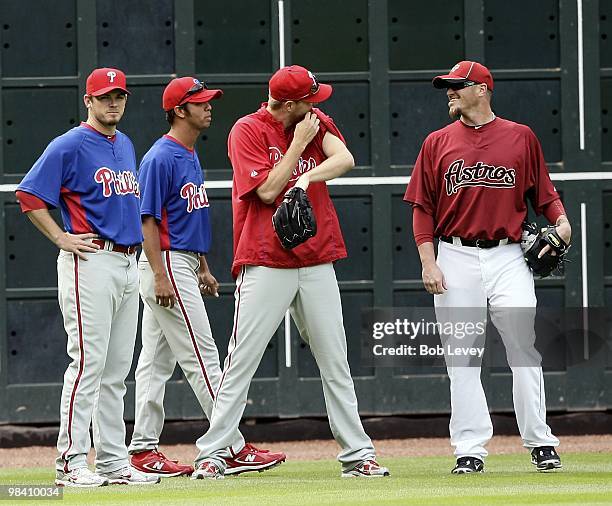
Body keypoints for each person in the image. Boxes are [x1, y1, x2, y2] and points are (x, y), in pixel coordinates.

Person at [191, 65, 389, 480]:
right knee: (241, 360)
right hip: (265, 259)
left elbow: (345, 159)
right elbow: (264, 191)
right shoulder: (247, 130)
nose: (317, 105)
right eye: (310, 99)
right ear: (291, 103)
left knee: (335, 359)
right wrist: (298, 147)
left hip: (316, 258)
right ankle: (213, 453)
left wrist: (304, 181)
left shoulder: (314, 122)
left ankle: (358, 454)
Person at [404, 61, 571, 474]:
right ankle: (469, 449)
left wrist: (564, 222)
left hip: (508, 255)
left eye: (457, 87)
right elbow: (422, 209)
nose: (450, 92)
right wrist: (429, 261)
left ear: (481, 89)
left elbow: (544, 195)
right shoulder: (437, 142)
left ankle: (540, 442)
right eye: (448, 87)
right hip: (455, 255)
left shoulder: (520, 137)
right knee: (461, 357)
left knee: (524, 350)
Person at [128, 77, 285, 477]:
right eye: (200, 102)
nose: (209, 106)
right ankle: (231, 446)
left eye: (209, 100)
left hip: (181, 262)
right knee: (204, 357)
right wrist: (162, 275)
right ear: (179, 110)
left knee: (155, 363)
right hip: (164, 264)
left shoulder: (188, 153)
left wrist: (202, 266)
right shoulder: (160, 157)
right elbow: (147, 221)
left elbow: (185, 217)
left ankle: (142, 451)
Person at [15, 68, 159, 487]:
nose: (113, 102)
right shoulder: (70, 143)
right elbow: (28, 194)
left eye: (119, 96)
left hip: (128, 263)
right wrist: (61, 237)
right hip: (91, 261)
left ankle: (114, 461)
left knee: (116, 371)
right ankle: (70, 461)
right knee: (88, 365)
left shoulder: (125, 143)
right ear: (89, 101)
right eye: (105, 96)